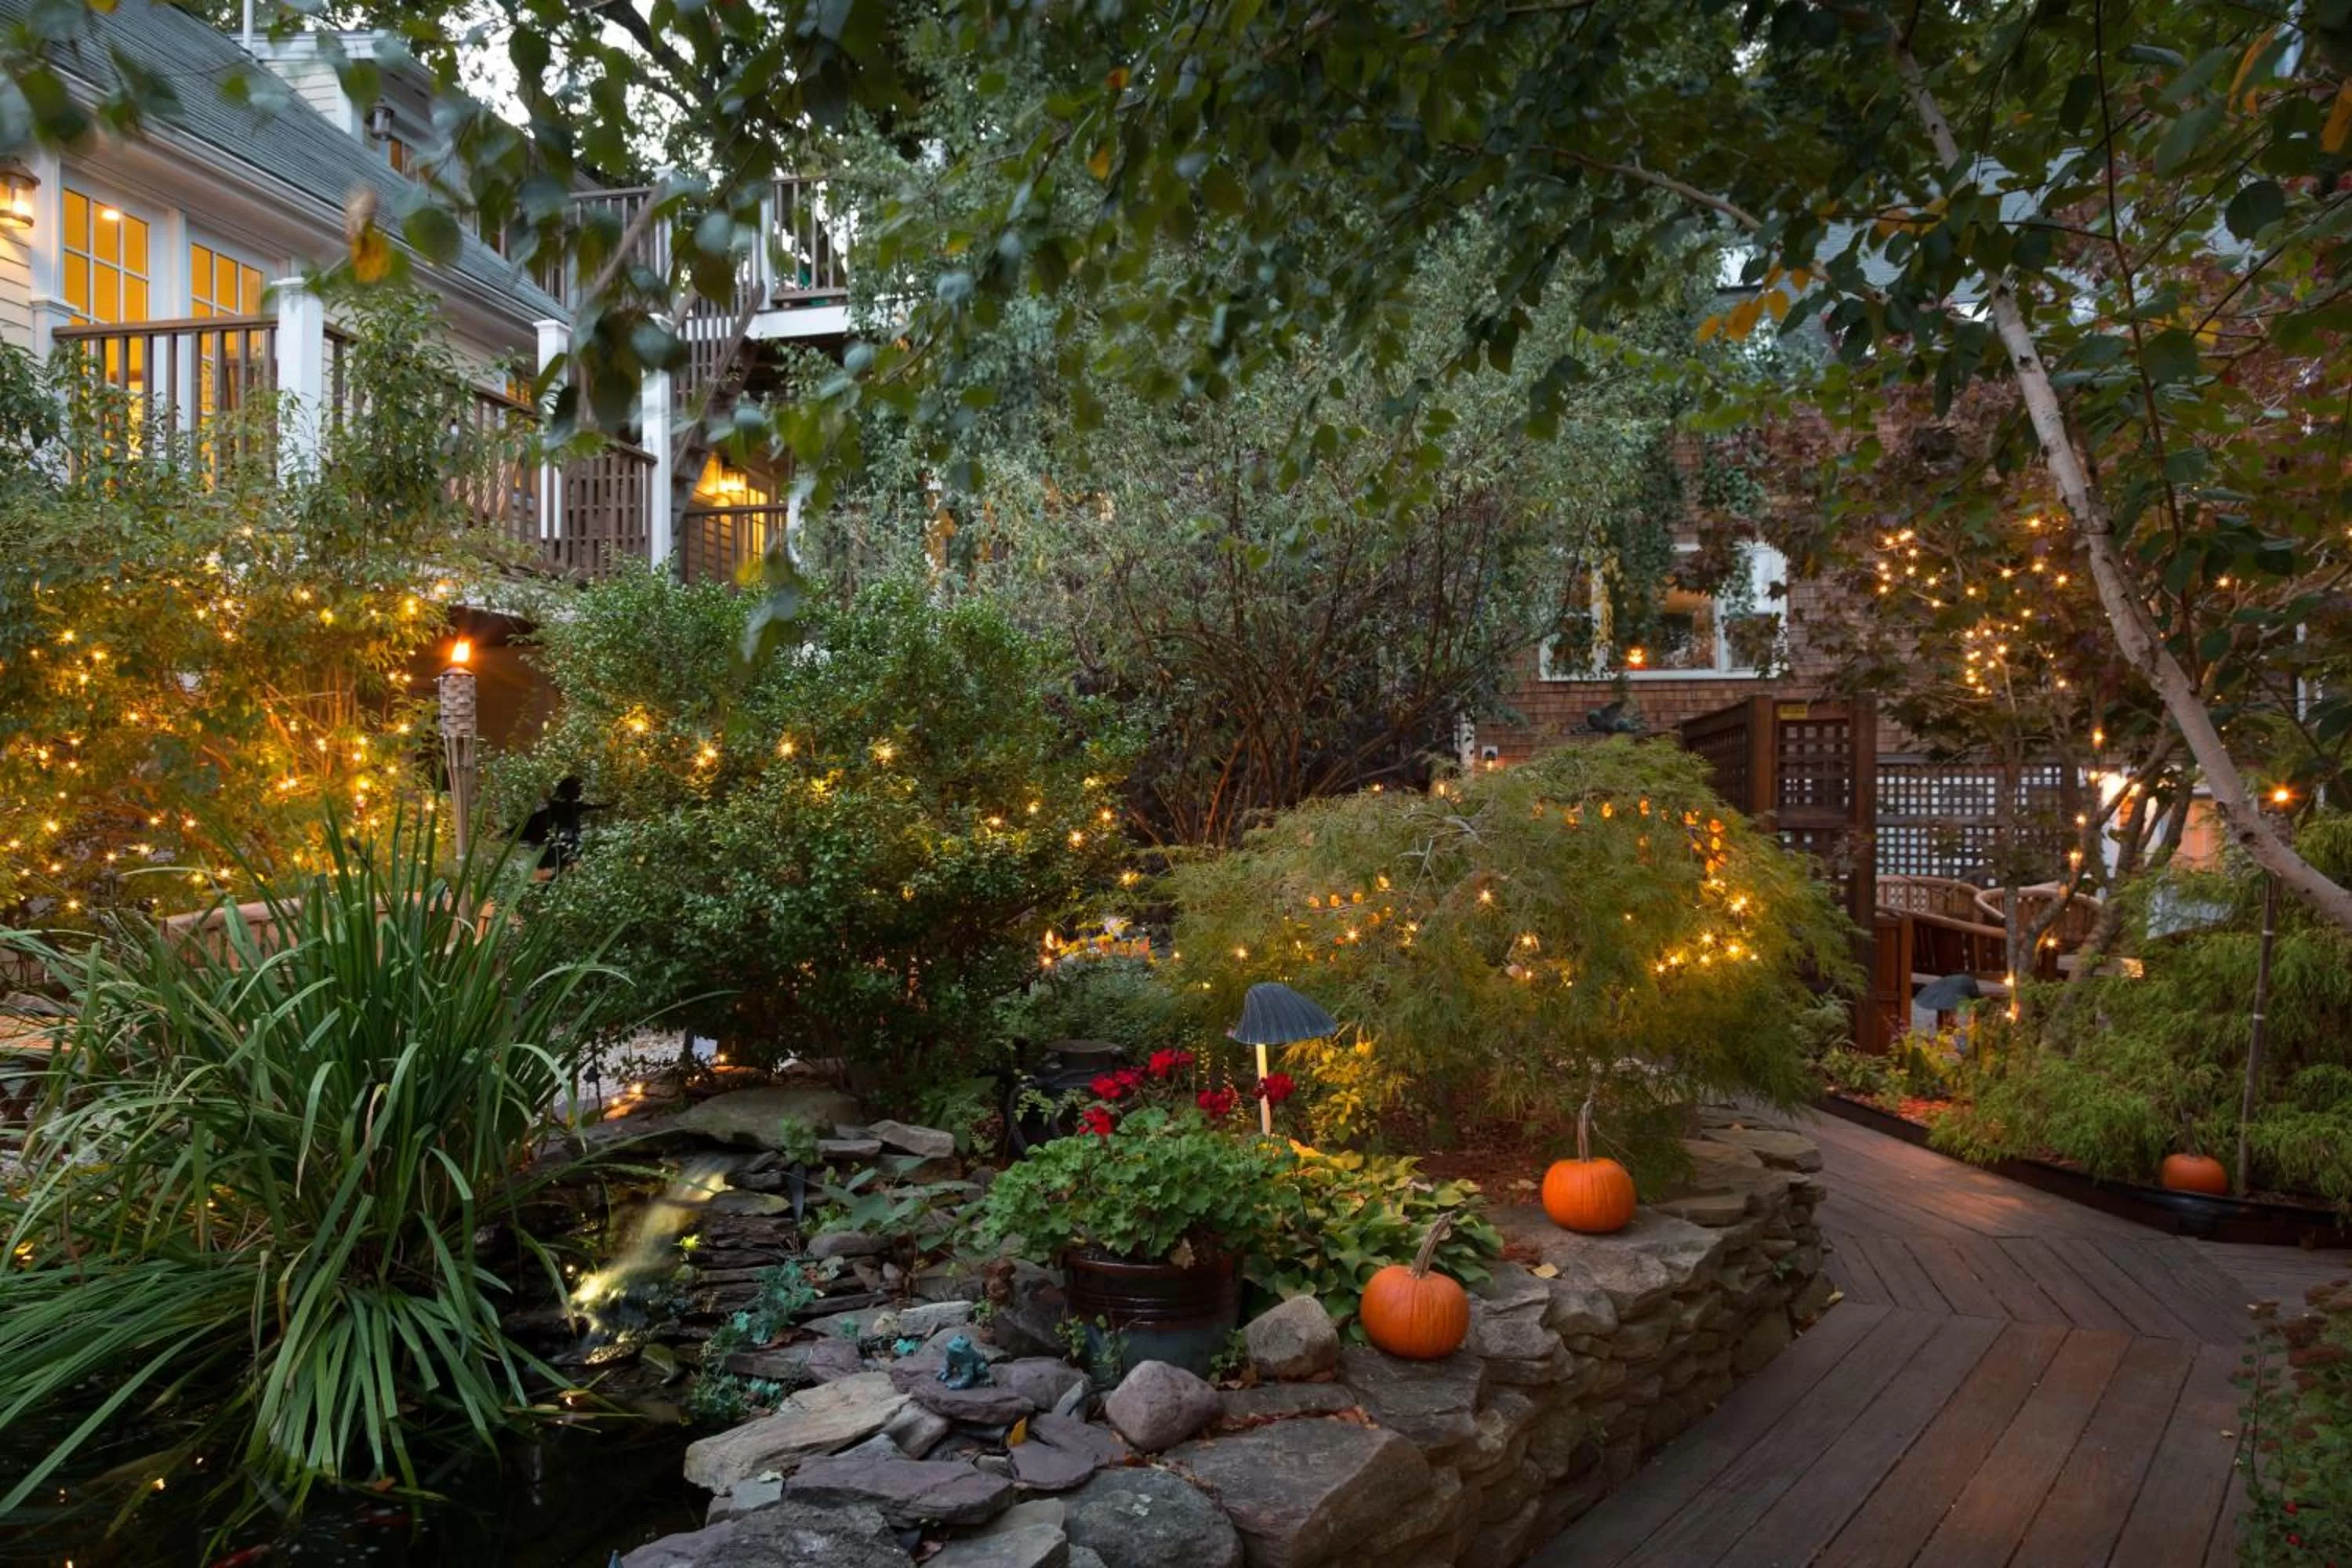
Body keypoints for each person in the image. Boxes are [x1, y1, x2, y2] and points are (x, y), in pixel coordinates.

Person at [518, 775, 605, 876]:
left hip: (565, 840)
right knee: (550, 869)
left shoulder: (562, 806)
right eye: (579, 788)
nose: (580, 791)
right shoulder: (562, 806)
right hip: (562, 840)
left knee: (556, 867)